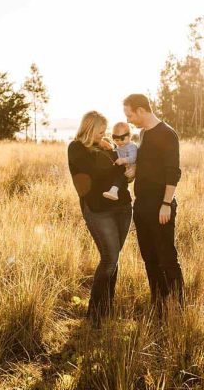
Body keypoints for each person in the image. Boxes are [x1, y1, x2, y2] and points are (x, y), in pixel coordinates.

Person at [67, 111, 132, 327]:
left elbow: (124, 174)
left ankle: (106, 310)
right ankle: (94, 315)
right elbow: (97, 173)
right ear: (90, 129)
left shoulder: (107, 149)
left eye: (105, 132)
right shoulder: (76, 148)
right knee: (109, 258)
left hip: (122, 207)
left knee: (114, 259)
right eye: (101, 132)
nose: (104, 135)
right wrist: (114, 156)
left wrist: (114, 154)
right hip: (98, 210)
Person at [123, 93, 184, 313]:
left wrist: (166, 204)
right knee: (149, 257)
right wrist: (134, 171)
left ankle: (178, 307)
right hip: (141, 205)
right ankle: (158, 303)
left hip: (161, 205)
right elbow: (149, 164)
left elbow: (172, 172)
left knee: (166, 257)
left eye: (130, 114)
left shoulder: (168, 134)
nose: (128, 120)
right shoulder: (143, 134)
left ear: (141, 110)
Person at [103, 122, 137, 201]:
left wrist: (123, 160)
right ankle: (112, 188)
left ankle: (114, 190)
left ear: (129, 136)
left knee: (120, 175)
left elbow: (133, 158)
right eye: (116, 140)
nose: (119, 142)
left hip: (128, 168)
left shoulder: (131, 146)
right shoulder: (119, 146)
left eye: (122, 139)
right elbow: (116, 152)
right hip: (121, 165)